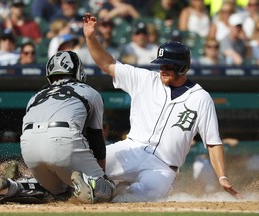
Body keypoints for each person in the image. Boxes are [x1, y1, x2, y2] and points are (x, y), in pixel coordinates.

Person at [82, 13, 242, 202]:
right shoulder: (145, 79)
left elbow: (213, 142)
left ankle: (112, 189)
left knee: (140, 196)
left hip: (163, 166)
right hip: (132, 149)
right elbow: (108, 63)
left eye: (168, 65)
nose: (162, 68)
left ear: (183, 67)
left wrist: (222, 177)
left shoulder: (201, 98)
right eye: (161, 64)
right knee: (86, 167)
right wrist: (91, 38)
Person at [0, 50, 116, 205]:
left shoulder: (36, 96)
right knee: (108, 188)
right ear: (78, 71)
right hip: (63, 139)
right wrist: (101, 176)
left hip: (29, 145)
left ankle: (13, 187)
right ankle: (92, 184)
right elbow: (96, 141)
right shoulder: (91, 92)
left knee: (54, 192)